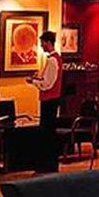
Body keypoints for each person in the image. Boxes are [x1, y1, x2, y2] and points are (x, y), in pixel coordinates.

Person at [26, 30, 63, 173]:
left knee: (47, 132)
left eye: (42, 43)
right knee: (47, 132)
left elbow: (48, 84)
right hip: (51, 99)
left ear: (48, 42)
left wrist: (34, 81)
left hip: (49, 100)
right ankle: (47, 164)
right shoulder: (54, 59)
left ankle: (48, 164)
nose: (41, 46)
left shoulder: (52, 60)